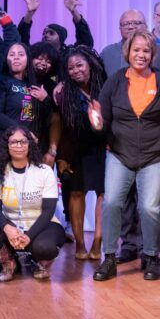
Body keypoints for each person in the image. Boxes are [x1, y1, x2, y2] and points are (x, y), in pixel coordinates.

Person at [91, 32, 160, 282]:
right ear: (127, 53)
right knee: (111, 204)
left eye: (146, 51)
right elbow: (102, 119)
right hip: (120, 154)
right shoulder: (116, 81)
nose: (141, 55)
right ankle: (109, 258)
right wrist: (97, 124)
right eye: (136, 50)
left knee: (149, 208)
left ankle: (151, 256)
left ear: (152, 55)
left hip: (154, 156)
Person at [0, 126, 66, 282]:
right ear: (7, 145)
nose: (18, 146)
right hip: (11, 226)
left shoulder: (44, 171)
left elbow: (48, 211)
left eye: (23, 142)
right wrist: (9, 229)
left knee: (45, 247)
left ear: (30, 144)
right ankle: (9, 264)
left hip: (41, 226)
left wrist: (28, 236)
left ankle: (40, 264)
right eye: (14, 142)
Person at [55, 45, 108, 260]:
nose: (76, 70)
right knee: (77, 193)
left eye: (80, 65)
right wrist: (61, 157)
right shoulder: (63, 92)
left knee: (103, 195)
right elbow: (64, 126)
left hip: (103, 147)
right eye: (71, 68)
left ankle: (98, 241)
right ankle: (79, 244)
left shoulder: (104, 87)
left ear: (90, 65)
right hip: (75, 149)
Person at [0, 42, 58, 175]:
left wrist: (46, 100)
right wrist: (24, 132)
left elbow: (44, 120)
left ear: (28, 59)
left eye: (21, 54)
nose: (16, 57)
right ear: (7, 59)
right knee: (1, 193)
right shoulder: (0, 81)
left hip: (23, 147)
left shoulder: (33, 85)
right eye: (12, 54)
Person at [100, 9, 160, 77]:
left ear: (146, 27)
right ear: (120, 28)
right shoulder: (107, 53)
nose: (130, 27)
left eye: (136, 23)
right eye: (126, 24)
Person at [18, 0, 94, 52]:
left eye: (51, 33)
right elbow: (21, 42)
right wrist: (29, 13)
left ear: (61, 39)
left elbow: (86, 43)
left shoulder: (69, 55)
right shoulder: (35, 54)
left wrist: (74, 12)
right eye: (44, 33)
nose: (46, 35)